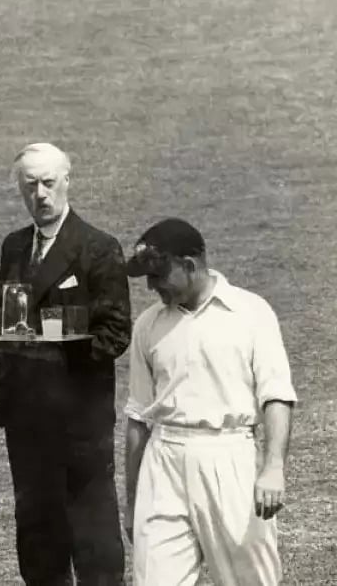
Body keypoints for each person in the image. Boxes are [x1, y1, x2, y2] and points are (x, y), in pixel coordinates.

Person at [0, 143, 131, 585]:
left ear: (67, 181)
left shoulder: (98, 248)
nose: (40, 194)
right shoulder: (13, 246)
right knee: (37, 536)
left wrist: (53, 342)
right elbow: (0, 313)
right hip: (25, 420)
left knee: (93, 535)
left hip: (79, 419)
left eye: (48, 183)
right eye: (30, 186)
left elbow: (116, 335)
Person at [123, 218, 297, 585]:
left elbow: (277, 395)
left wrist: (273, 467)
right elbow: (138, 417)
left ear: (190, 264)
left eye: (159, 276)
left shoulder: (251, 312)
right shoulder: (148, 325)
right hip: (164, 461)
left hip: (230, 458)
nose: (152, 287)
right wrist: (134, 499)